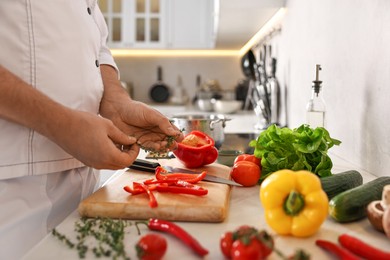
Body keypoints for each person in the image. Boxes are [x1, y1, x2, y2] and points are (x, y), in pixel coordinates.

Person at [0, 1, 184, 259]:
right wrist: (60, 123)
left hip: (85, 182)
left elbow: (96, 46)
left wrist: (115, 101)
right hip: (11, 186)